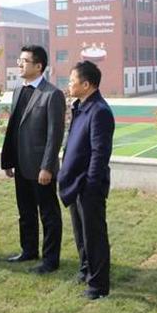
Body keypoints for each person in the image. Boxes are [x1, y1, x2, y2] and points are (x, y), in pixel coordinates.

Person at [1, 45, 66, 274]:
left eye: (24, 61)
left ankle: (50, 260)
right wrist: (8, 160)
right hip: (21, 164)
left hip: (41, 167)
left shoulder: (52, 94)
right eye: (19, 60)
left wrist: (47, 167)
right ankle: (28, 250)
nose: (19, 64)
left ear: (39, 66)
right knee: (25, 211)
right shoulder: (18, 90)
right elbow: (14, 128)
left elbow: (54, 135)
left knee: (48, 214)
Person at [57, 61, 115, 300]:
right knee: (80, 232)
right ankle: (85, 269)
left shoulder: (99, 111)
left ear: (86, 84)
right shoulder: (80, 107)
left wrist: (91, 184)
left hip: (88, 185)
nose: (69, 85)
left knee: (94, 235)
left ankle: (98, 285)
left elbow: (99, 153)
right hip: (75, 182)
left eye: (72, 81)